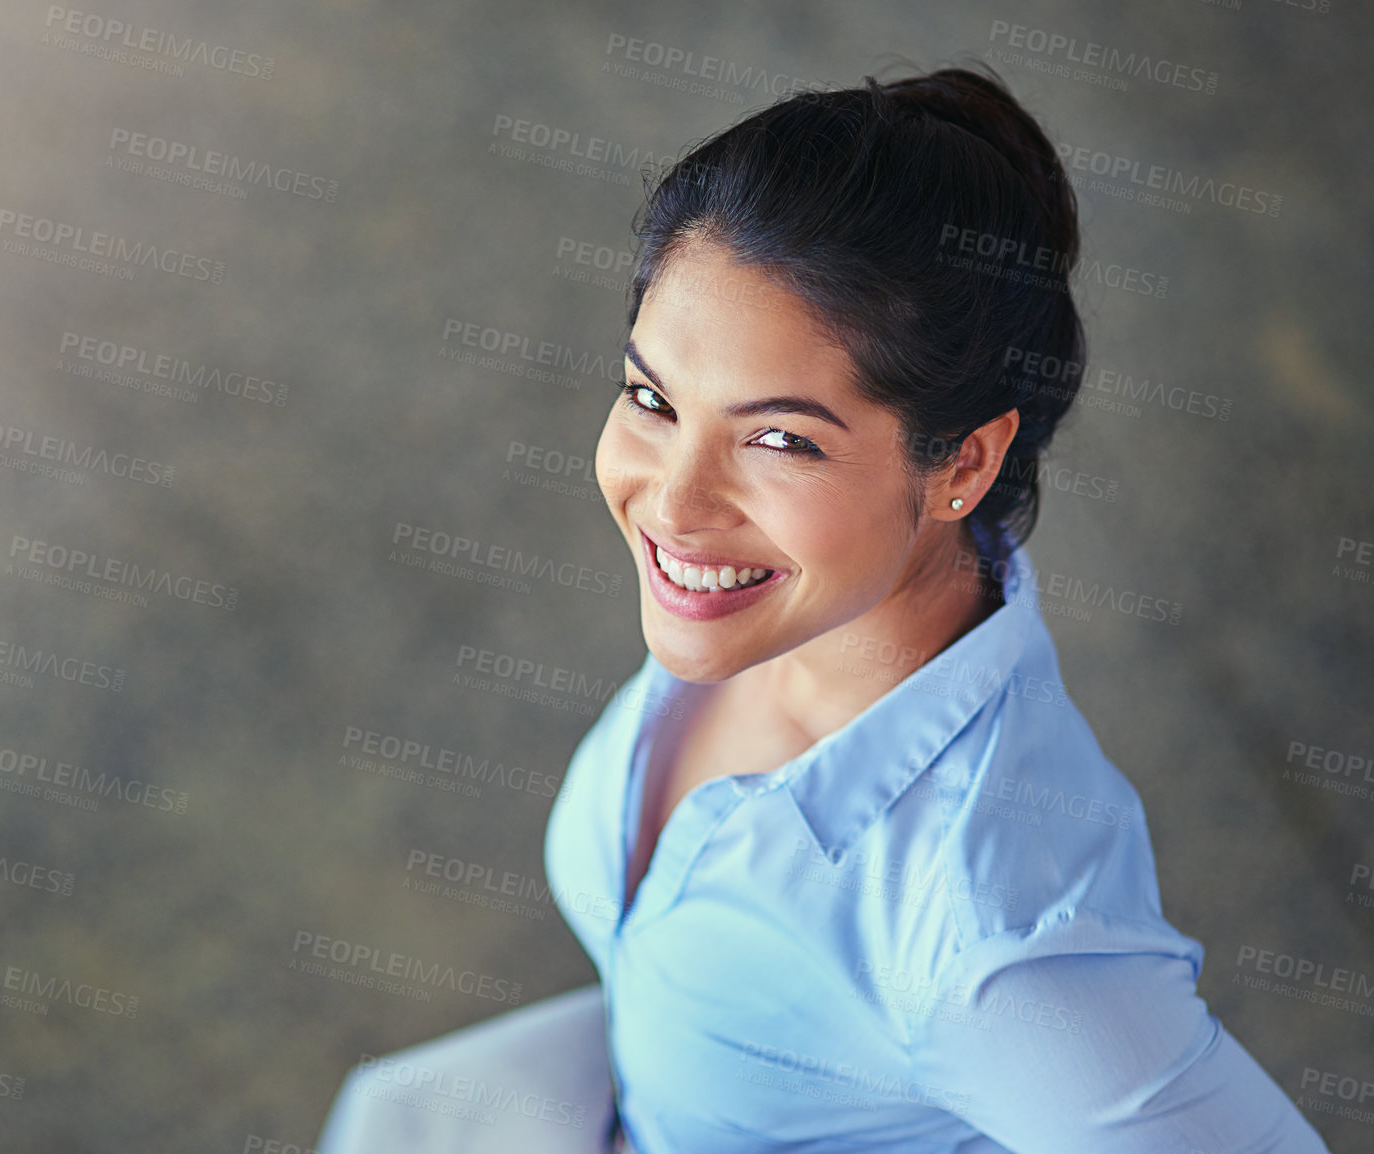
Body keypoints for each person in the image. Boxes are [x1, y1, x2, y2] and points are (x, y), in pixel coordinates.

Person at [319, 66, 1331, 1153]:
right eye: (652, 399)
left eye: (780, 440)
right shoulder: (766, 609)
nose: (671, 503)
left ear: (964, 462)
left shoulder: (990, 941)